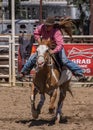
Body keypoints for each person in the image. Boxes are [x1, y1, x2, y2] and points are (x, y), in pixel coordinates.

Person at [18, 17, 87, 82]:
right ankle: (23, 72)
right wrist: (38, 39)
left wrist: (53, 51)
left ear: (52, 26)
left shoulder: (57, 32)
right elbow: (36, 33)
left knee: (64, 60)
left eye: (48, 26)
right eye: (46, 25)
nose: (46, 27)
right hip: (45, 46)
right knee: (34, 57)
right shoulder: (41, 27)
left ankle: (79, 73)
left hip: (56, 47)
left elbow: (60, 45)